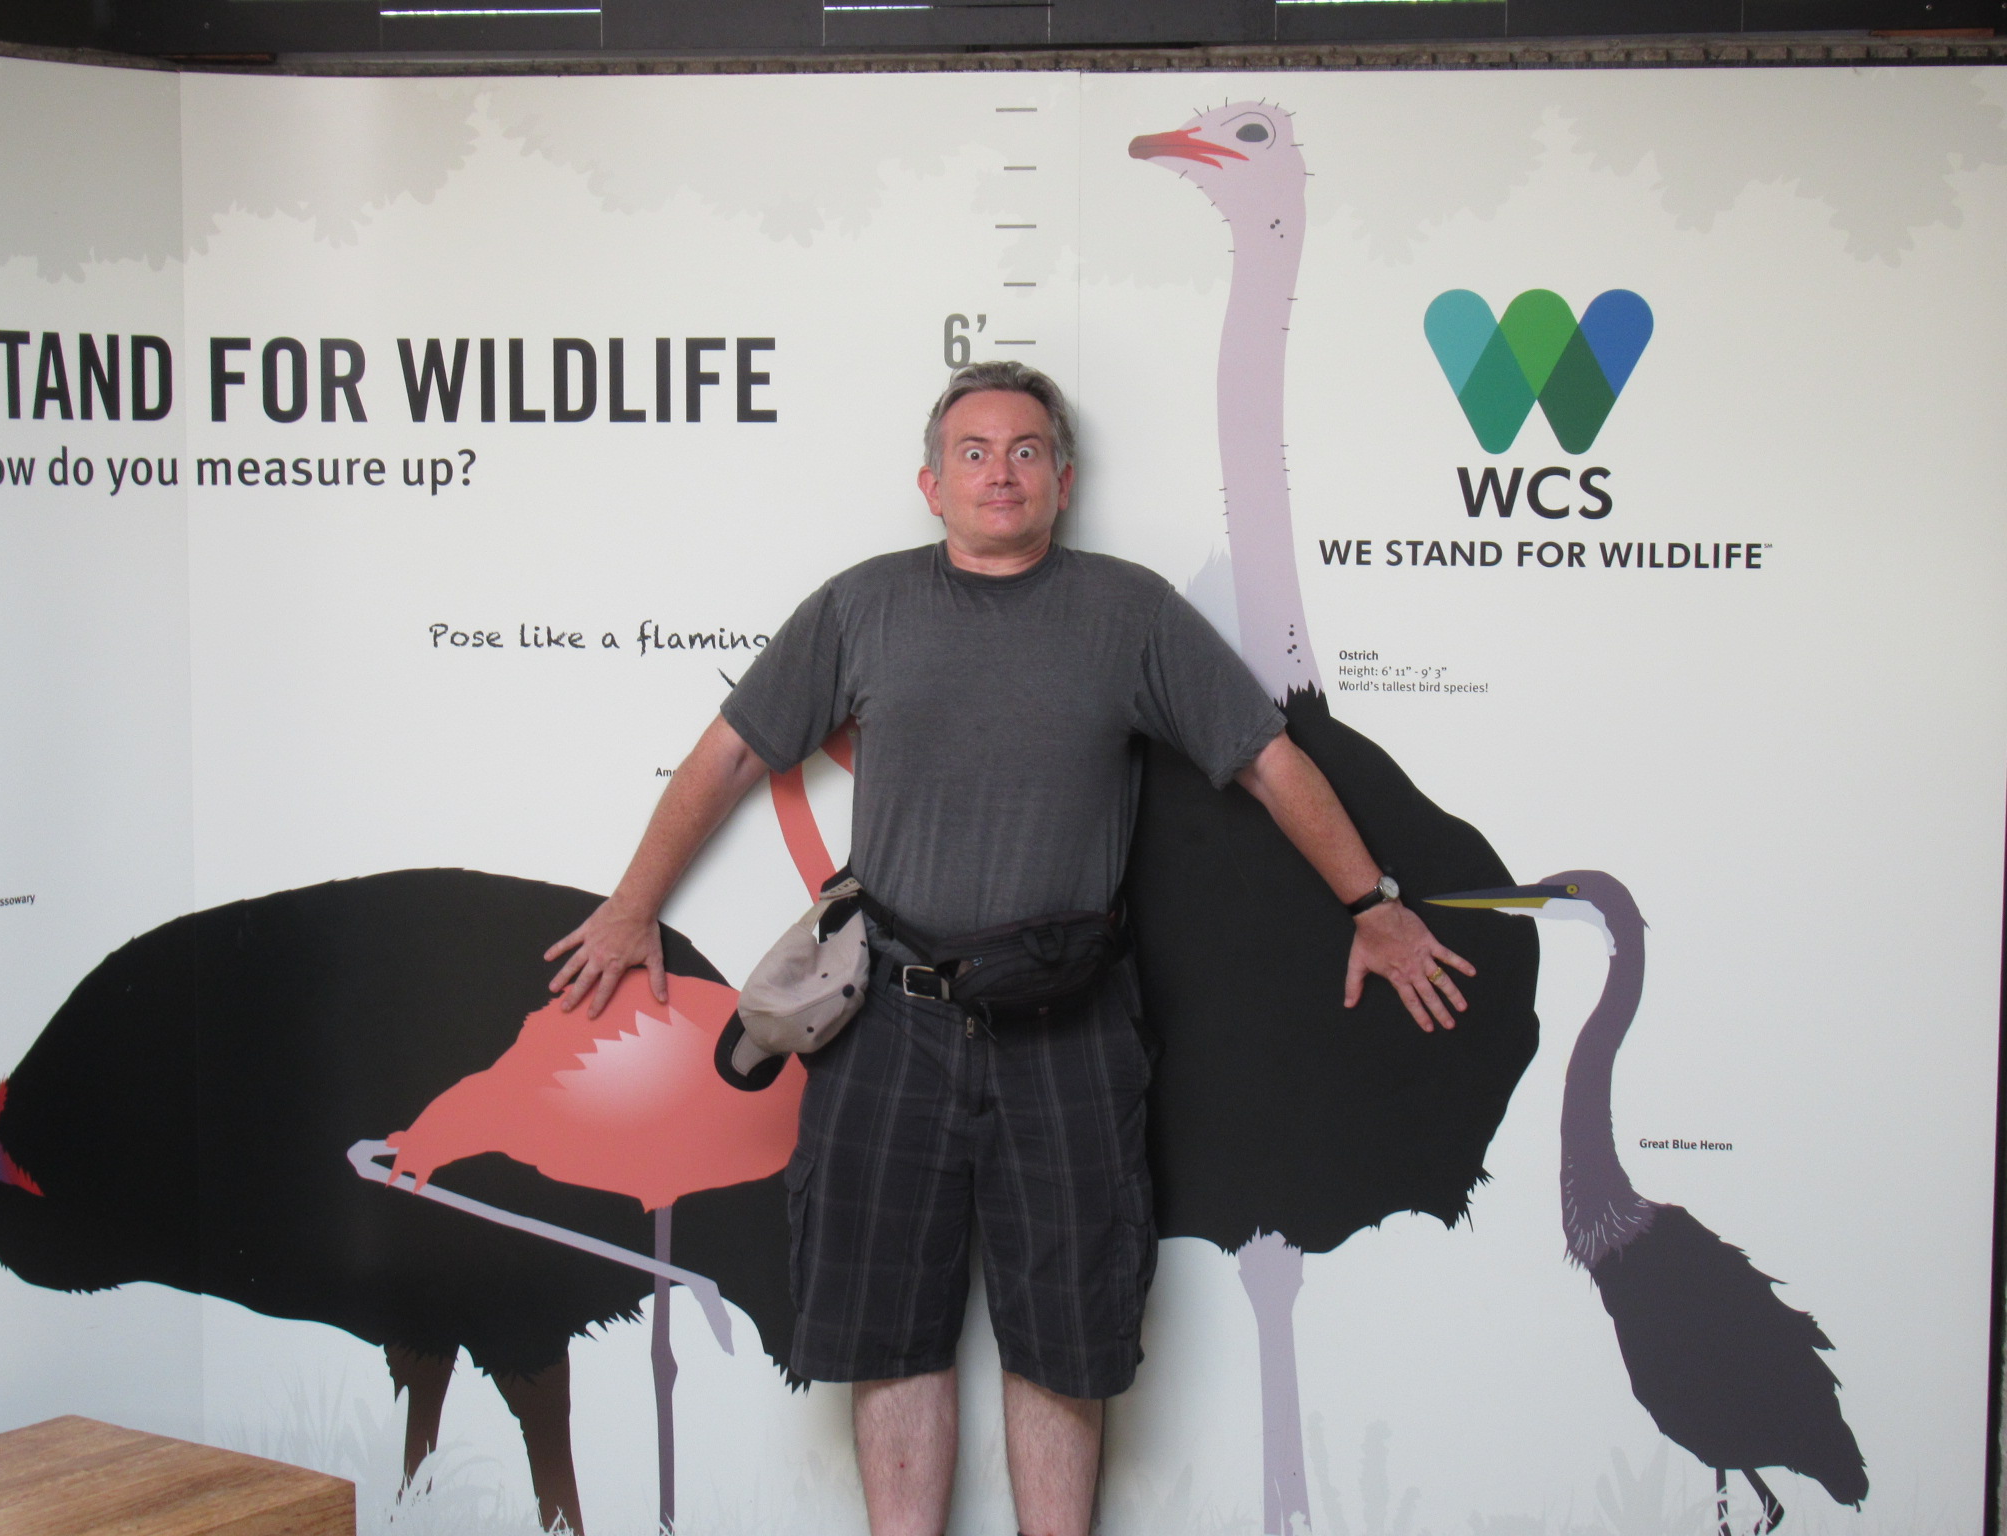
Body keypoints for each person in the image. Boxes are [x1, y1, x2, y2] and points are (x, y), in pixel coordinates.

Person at [544, 361, 1472, 1536]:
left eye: (1026, 450)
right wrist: (632, 905)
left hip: (1069, 1024)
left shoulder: (1129, 613)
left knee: (1066, 1334)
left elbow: (1262, 758)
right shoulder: (861, 606)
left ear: (1062, 482)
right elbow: (731, 751)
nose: (1000, 471)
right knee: (889, 1333)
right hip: (886, 1020)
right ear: (930, 483)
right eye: (973, 451)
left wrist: (1370, 902)